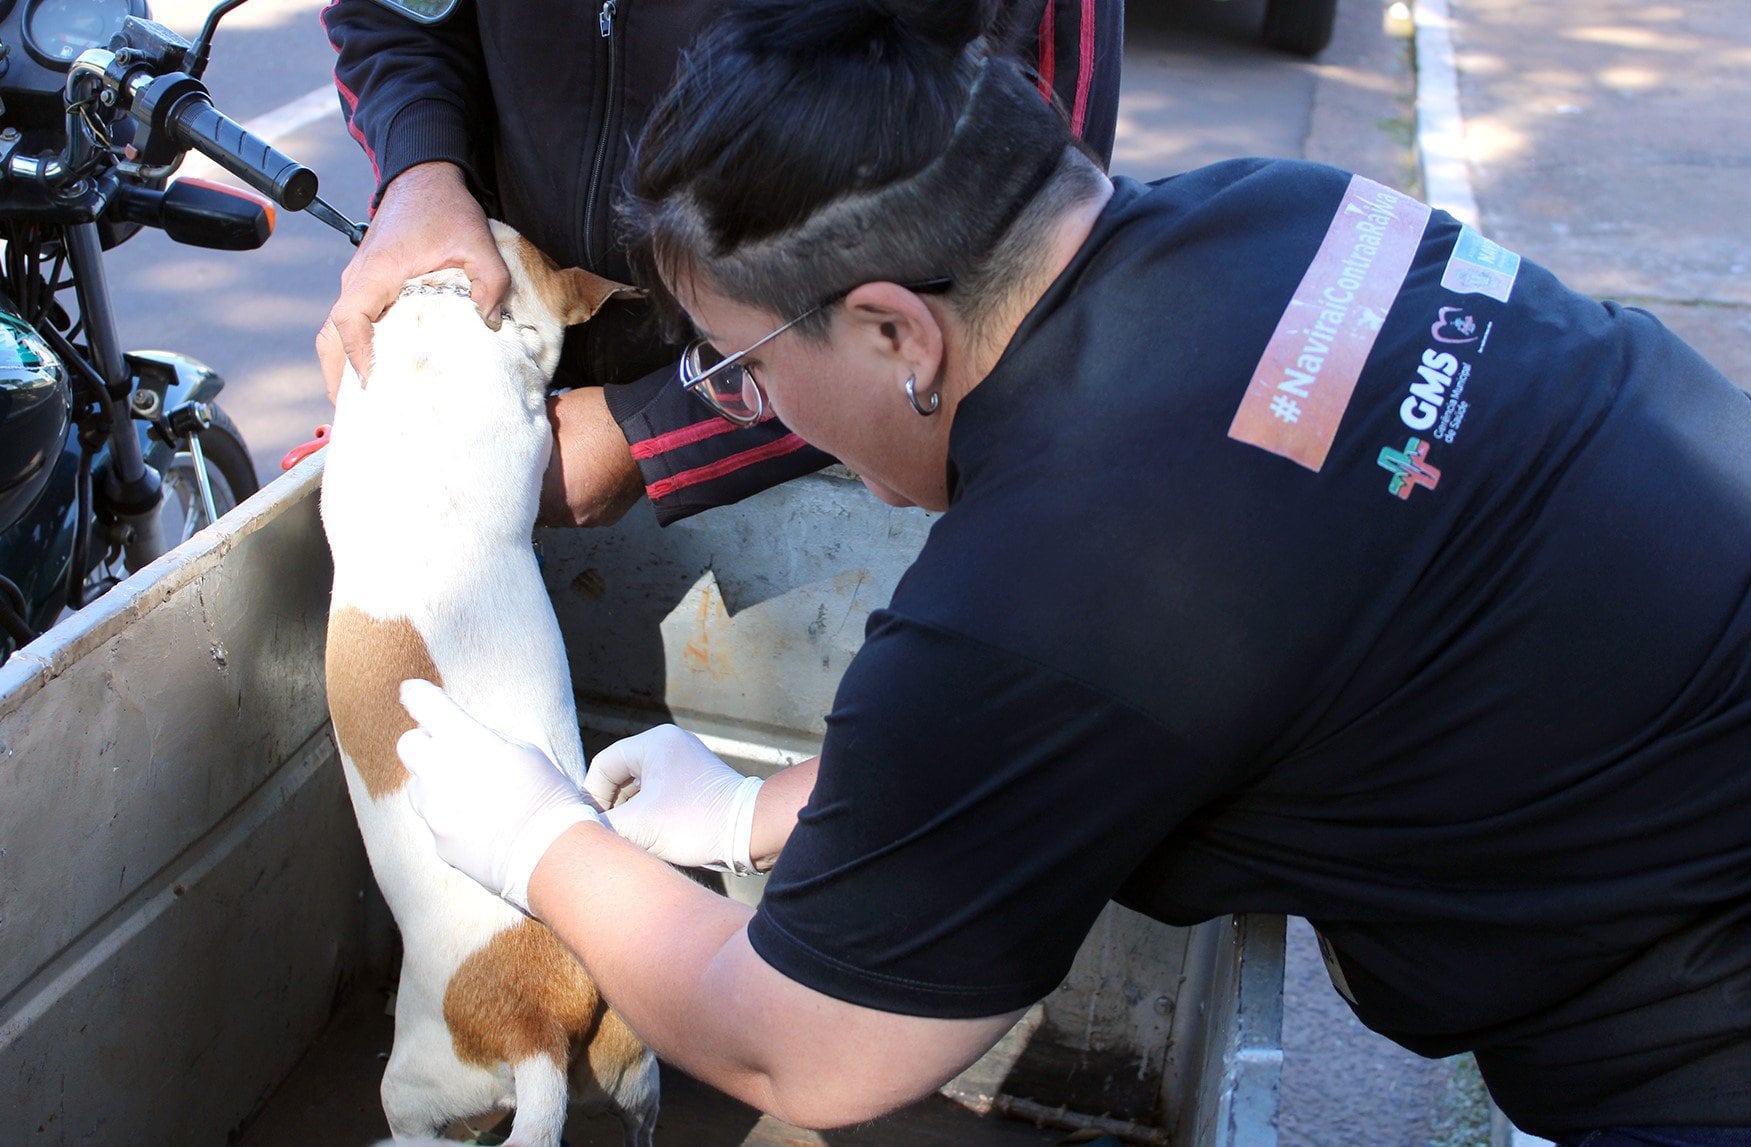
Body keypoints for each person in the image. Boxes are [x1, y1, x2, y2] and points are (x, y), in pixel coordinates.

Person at [391, 0, 1751, 1142]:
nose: (754, 410)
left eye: (741, 370)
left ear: (890, 332)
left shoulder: (1067, 576)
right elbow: (1104, 698)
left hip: (1695, 1013)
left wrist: (538, 840)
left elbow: (802, 1048)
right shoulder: (1278, 214)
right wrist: (757, 809)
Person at [317, 0, 1123, 527]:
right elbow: (395, 15)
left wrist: (653, 434)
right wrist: (420, 172)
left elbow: (1008, 253)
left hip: (858, 432)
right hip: (541, 364)